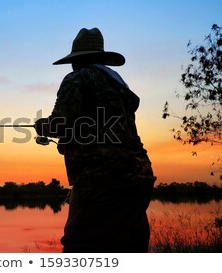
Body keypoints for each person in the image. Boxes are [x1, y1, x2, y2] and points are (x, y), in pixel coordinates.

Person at [34, 28, 156, 253]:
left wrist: (43, 125)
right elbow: (98, 130)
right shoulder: (119, 86)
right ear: (101, 57)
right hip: (140, 176)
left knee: (78, 247)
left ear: (76, 60)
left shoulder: (77, 78)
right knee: (130, 248)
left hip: (101, 181)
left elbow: (59, 122)